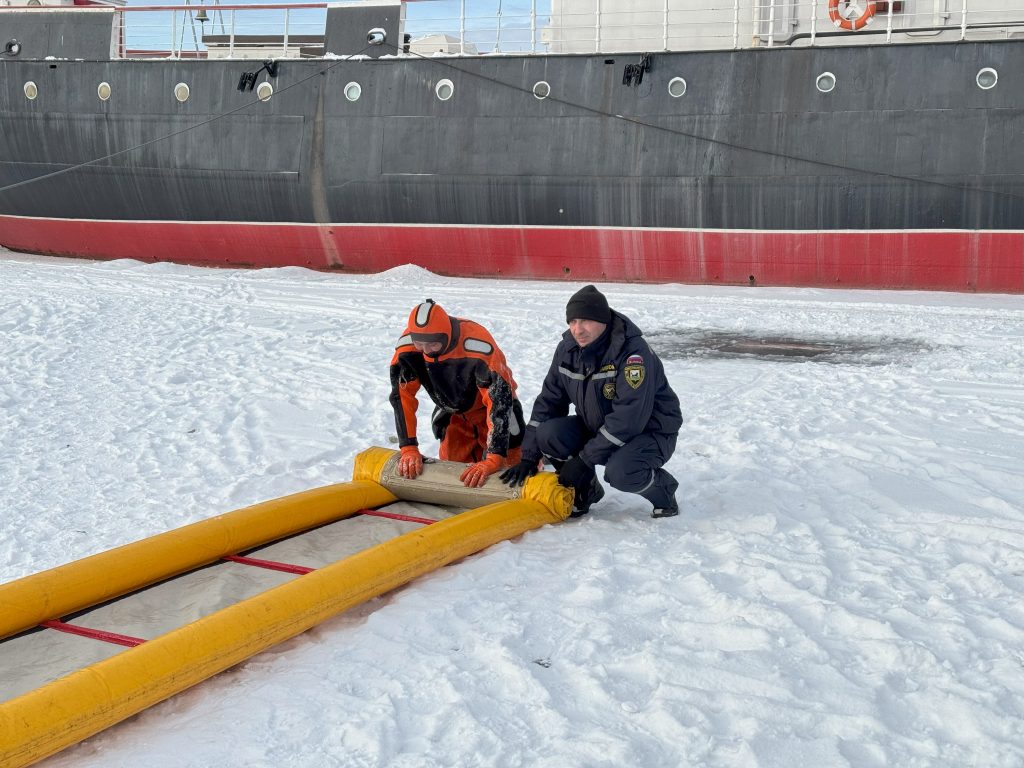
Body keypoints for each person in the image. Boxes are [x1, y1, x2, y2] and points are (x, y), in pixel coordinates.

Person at [500, 285, 682, 518]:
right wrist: (529, 456)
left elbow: (629, 419)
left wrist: (584, 460)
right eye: (572, 321)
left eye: (585, 321)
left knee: (621, 472)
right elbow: (549, 401)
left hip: (650, 433)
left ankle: (663, 491)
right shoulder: (568, 350)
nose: (578, 329)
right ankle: (586, 492)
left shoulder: (633, 354)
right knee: (550, 434)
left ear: (603, 320)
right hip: (599, 426)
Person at [390, 299, 526, 488]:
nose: (426, 351)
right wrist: (408, 447)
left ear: (446, 337)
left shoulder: (477, 344)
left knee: (512, 470)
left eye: (433, 345)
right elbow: (402, 398)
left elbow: (498, 399)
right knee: (453, 471)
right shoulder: (407, 351)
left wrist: (495, 457)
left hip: (496, 409)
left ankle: (532, 455)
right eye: (420, 345)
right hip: (454, 412)